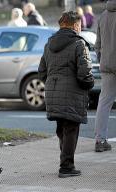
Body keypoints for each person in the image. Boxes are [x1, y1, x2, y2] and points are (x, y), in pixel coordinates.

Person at [38, 11, 94, 178]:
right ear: (76, 25)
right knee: (71, 129)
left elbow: (42, 71)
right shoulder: (79, 44)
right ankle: (67, 167)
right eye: (80, 25)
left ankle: (65, 162)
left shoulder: (49, 44)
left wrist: (52, 84)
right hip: (72, 93)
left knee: (62, 129)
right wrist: (88, 85)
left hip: (53, 92)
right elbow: (85, 73)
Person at [94, 0, 116, 152]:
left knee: (104, 103)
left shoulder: (102, 15)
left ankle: (100, 141)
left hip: (107, 65)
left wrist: (102, 58)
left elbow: (97, 44)